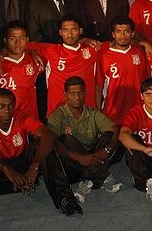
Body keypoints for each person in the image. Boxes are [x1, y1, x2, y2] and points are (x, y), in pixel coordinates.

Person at [0, 88, 56, 231]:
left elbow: (48, 135)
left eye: (10, 106)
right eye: (1, 106)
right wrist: (6, 168)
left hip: (22, 168)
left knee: (42, 147)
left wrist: (35, 165)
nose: (7, 111)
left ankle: (63, 197)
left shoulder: (21, 118)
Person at [44, 77, 122, 215]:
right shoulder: (57, 115)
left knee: (113, 137)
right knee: (65, 139)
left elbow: (114, 129)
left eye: (80, 93)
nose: (77, 97)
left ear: (85, 94)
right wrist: (79, 157)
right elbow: (50, 141)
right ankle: (100, 176)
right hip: (72, 162)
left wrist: (106, 149)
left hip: (93, 157)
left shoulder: (92, 113)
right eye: (72, 93)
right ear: (65, 95)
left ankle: (89, 178)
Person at [30, 14, 100, 115]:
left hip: (86, 113)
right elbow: (19, 45)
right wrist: (32, 52)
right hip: (59, 114)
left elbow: (115, 44)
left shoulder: (92, 49)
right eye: (65, 30)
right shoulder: (51, 50)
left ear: (80, 31)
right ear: (60, 32)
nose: (69, 34)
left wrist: (85, 40)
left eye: (73, 29)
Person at [97, 16, 149, 125]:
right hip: (112, 112)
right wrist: (97, 111)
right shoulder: (104, 56)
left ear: (132, 34)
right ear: (113, 34)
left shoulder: (140, 53)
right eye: (119, 32)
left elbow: (146, 81)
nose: (122, 36)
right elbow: (98, 85)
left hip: (137, 111)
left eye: (126, 31)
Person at [0, 20, 41, 120]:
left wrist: (32, 51)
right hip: (6, 121)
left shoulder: (34, 60)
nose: (18, 43)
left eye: (22, 38)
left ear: (27, 39)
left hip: (30, 120)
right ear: (5, 40)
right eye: (12, 39)